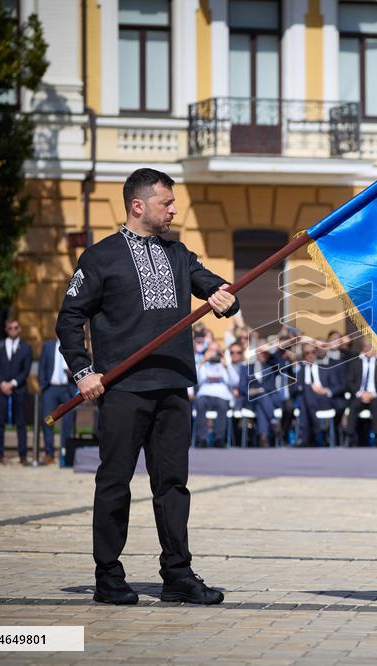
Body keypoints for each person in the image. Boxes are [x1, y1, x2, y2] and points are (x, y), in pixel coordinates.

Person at [56, 168, 238, 606]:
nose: (174, 209)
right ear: (138, 206)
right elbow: (69, 319)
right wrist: (84, 372)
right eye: (166, 203)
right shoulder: (100, 258)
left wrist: (221, 296)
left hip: (173, 384)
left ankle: (177, 573)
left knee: (173, 484)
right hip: (122, 389)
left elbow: (209, 283)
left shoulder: (178, 253)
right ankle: (109, 576)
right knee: (115, 481)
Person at [0, 319, 32, 464]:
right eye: (10, 328)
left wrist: (12, 384)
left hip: (19, 389)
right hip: (0, 389)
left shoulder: (26, 347)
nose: (13, 330)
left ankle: (23, 455)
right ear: (6, 329)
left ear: (19, 329)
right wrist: (2, 383)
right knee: (0, 422)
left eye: (15, 327)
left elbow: (26, 370)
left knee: (21, 423)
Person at [38, 337, 78, 464]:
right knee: (48, 420)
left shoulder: (73, 345)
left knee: (68, 422)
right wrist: (43, 385)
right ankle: (49, 453)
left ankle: (64, 453)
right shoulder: (48, 346)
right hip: (51, 389)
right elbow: (42, 365)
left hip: (68, 388)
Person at [344, 338, 377, 446]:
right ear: (363, 348)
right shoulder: (356, 363)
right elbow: (349, 381)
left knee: (376, 406)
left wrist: (373, 394)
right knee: (353, 406)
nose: (368, 349)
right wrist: (360, 393)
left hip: (375, 396)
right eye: (366, 347)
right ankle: (350, 437)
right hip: (359, 395)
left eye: (370, 347)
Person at [294, 342, 341, 446]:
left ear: (316, 353)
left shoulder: (326, 368)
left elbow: (337, 386)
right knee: (306, 390)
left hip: (324, 400)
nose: (310, 355)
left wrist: (325, 390)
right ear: (303, 355)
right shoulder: (300, 370)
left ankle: (304, 438)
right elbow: (294, 388)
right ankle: (318, 428)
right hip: (306, 402)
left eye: (313, 352)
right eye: (307, 353)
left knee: (305, 398)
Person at [194, 343, 238, 447]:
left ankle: (219, 438)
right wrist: (202, 362)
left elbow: (235, 381)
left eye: (216, 351)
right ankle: (202, 439)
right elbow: (196, 380)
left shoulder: (224, 365)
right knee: (200, 403)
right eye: (211, 351)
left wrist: (227, 366)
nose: (213, 354)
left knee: (222, 405)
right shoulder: (202, 365)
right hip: (205, 393)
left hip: (221, 394)